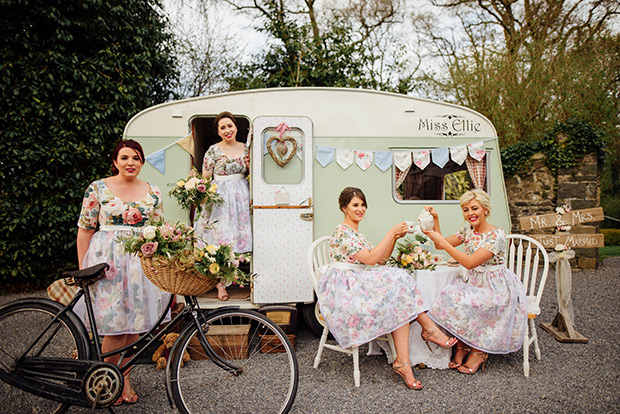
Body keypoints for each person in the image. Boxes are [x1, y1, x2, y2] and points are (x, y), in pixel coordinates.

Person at [317, 187, 457, 390]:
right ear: (344, 207)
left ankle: (403, 362)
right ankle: (429, 329)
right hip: (345, 289)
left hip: (357, 281)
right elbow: (372, 259)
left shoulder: (357, 234)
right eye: (355, 205)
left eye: (363, 204)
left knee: (399, 296)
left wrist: (394, 238)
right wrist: (390, 232)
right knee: (399, 279)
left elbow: (381, 260)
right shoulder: (342, 232)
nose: (361, 209)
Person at [76, 139, 171, 405]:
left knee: (134, 328)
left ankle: (124, 378)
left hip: (140, 264)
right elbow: (85, 230)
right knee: (114, 325)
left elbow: (160, 230)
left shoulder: (153, 191)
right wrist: (84, 269)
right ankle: (107, 381)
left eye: (136, 158)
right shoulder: (97, 188)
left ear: (142, 162)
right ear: (115, 162)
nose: (131, 162)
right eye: (125, 157)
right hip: (108, 265)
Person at [422, 189, 527, 375]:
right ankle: (463, 345)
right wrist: (436, 220)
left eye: (474, 208)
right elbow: (440, 244)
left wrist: (444, 243)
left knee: (472, 302)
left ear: (485, 209)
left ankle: (479, 352)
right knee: (449, 295)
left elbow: (470, 262)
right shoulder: (468, 230)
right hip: (476, 281)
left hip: (496, 286)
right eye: (465, 209)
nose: (470, 213)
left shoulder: (496, 236)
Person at [194, 111, 252, 301]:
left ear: (236, 127)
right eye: (223, 128)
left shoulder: (246, 149)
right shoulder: (213, 150)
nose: (227, 130)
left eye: (230, 126)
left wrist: (250, 165)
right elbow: (205, 178)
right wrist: (204, 199)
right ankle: (220, 284)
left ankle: (240, 278)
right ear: (218, 132)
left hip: (242, 196)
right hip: (220, 198)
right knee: (220, 238)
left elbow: (254, 174)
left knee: (240, 236)